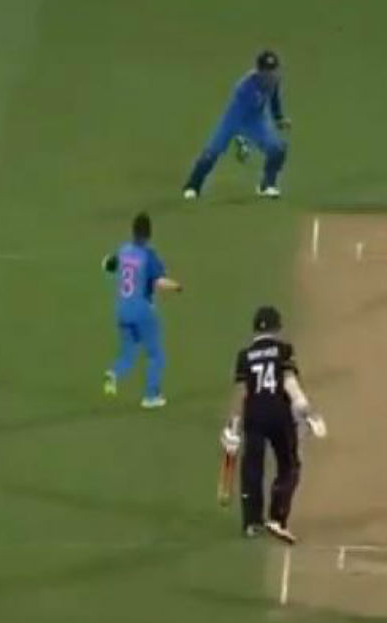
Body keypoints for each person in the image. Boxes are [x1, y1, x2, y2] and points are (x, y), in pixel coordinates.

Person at [219, 306, 326, 544]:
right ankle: (277, 516)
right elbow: (290, 384)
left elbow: (242, 392)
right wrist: (308, 412)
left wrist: (232, 425)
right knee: (289, 465)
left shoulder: (244, 356)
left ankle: (251, 522)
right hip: (279, 414)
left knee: (252, 469)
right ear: (277, 327)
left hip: (254, 415)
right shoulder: (283, 350)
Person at [182, 49, 291, 200]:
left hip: (255, 120)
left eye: (273, 70)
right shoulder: (245, 87)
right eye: (267, 71)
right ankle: (193, 186)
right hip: (233, 119)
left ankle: (267, 185)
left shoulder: (274, 81)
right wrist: (243, 143)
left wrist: (279, 118)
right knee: (211, 153)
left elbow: (274, 99)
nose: (271, 75)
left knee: (277, 149)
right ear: (259, 71)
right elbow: (245, 116)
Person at [101, 212, 182, 408]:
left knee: (128, 352)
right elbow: (159, 281)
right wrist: (177, 286)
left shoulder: (123, 250)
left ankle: (113, 373)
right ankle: (151, 396)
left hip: (122, 309)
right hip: (142, 310)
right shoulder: (148, 255)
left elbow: (107, 265)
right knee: (156, 354)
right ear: (149, 234)